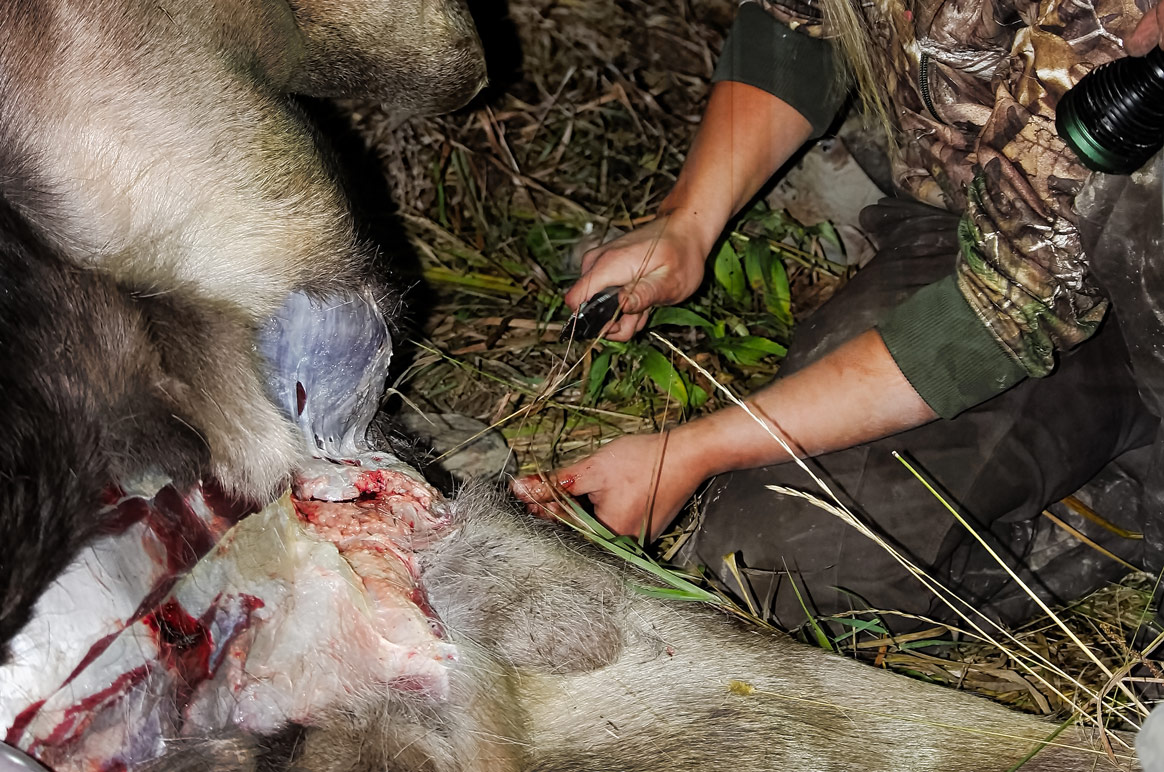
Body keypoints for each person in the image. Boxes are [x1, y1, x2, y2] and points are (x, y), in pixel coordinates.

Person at [513, 0, 1164, 630]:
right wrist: (687, 224)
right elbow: (800, 24)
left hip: (1113, 284)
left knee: (779, 573)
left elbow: (1003, 311)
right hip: (966, 222)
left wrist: (692, 451)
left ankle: (1115, 498)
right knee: (764, 538)